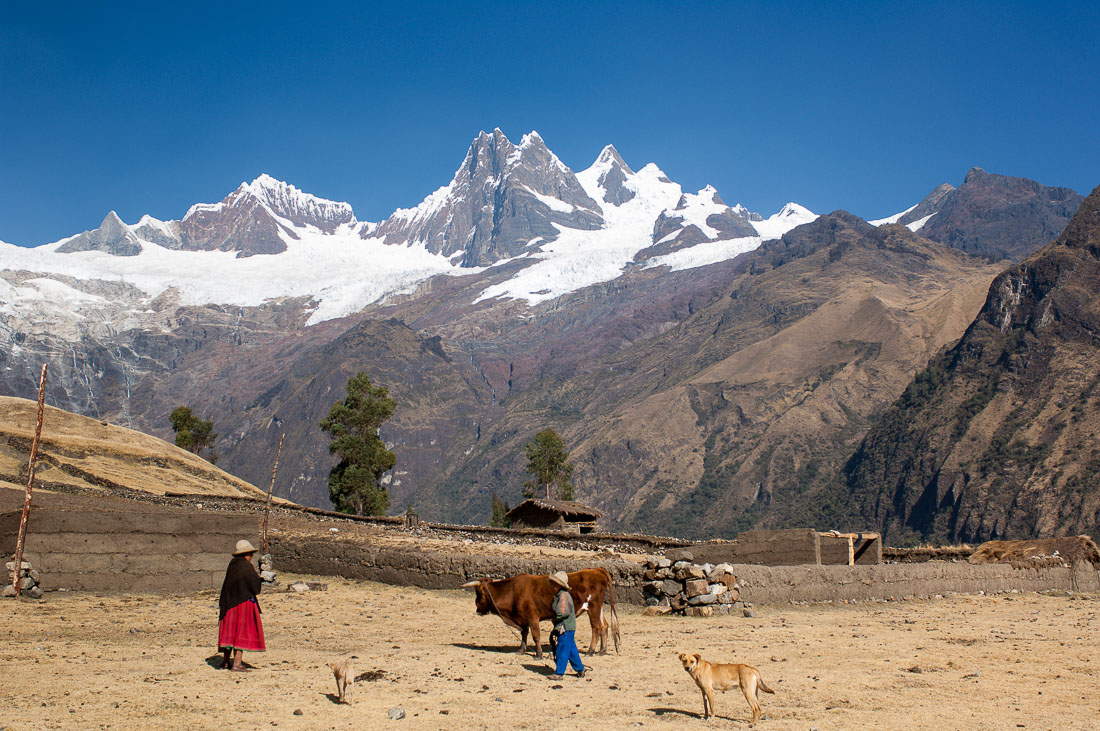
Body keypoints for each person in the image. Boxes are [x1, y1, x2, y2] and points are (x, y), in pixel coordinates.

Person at [217, 539, 266, 671]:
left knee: (229, 631)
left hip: (228, 605)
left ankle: (226, 661)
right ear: (247, 554)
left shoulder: (232, 565)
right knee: (241, 631)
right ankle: (237, 664)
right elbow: (255, 586)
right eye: (250, 554)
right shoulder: (246, 567)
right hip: (242, 604)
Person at [547, 571, 585, 680]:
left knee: (562, 649)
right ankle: (580, 669)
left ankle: (559, 673)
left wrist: (553, 618)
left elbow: (563, 612)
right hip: (568, 627)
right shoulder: (561, 595)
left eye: (555, 584)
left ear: (560, 585)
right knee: (571, 649)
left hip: (564, 627)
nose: (553, 586)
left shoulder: (563, 596)